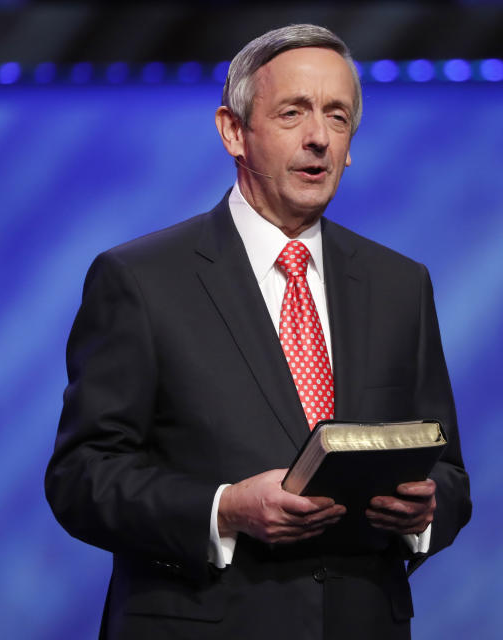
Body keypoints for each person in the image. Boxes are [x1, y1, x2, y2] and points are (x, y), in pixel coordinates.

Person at [45, 24, 471, 640]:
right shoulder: (140, 280)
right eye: (293, 112)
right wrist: (224, 509)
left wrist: (423, 513)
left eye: (338, 116)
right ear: (233, 131)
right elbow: (82, 476)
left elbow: (450, 473)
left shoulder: (401, 284)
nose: (318, 138)